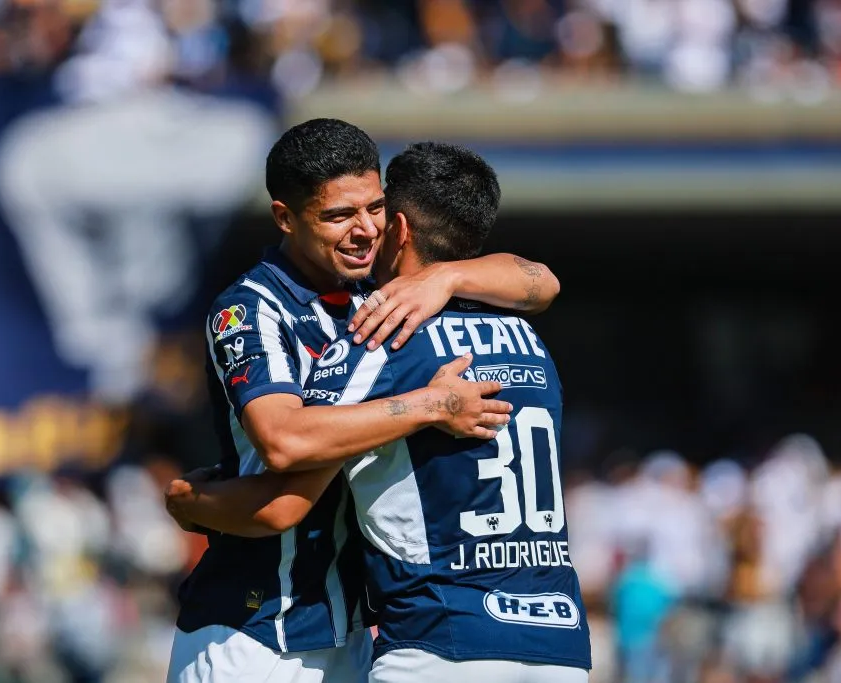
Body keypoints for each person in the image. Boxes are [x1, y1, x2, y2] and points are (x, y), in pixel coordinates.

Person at [168, 142, 590, 683]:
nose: (365, 229)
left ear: (398, 225)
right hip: (258, 627)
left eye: (374, 210)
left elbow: (542, 280)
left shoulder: (383, 312)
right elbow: (283, 446)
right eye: (340, 215)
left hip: (368, 632)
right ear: (286, 218)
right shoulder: (254, 307)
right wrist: (429, 404)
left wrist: (446, 277)